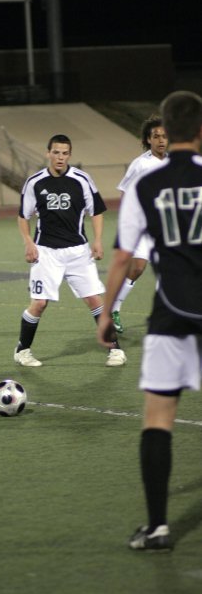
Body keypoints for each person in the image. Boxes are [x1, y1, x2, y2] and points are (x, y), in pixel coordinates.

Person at [97, 90, 202, 551]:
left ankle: (158, 526)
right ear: (200, 132)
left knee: (158, 418)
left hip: (171, 314)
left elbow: (123, 257)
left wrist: (106, 312)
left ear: (167, 132)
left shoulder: (145, 186)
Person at [13, 134, 126, 368]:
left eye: (65, 153)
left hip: (78, 251)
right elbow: (23, 216)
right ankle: (22, 350)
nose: (60, 157)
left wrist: (97, 240)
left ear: (70, 155)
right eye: (56, 152)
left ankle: (115, 349)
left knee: (95, 300)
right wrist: (28, 242)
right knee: (39, 304)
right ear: (48, 153)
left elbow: (95, 211)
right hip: (46, 252)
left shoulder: (82, 179)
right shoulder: (34, 182)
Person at [111, 115, 168, 333]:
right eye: (156, 136)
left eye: (164, 136)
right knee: (137, 268)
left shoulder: (173, 162)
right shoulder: (140, 164)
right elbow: (125, 192)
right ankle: (114, 308)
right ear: (148, 139)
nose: (161, 140)